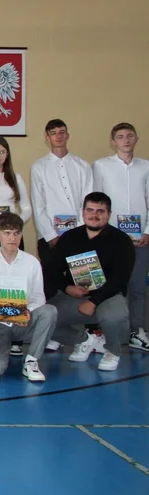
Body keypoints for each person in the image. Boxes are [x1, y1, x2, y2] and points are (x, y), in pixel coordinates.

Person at [46, 192, 134, 372]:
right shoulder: (70, 237)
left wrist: (94, 301)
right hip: (75, 298)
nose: (94, 215)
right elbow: (51, 269)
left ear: (109, 214)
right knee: (43, 318)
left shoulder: (122, 241)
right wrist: (67, 287)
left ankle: (113, 351)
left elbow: (120, 278)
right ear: (83, 212)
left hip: (108, 297)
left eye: (100, 211)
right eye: (90, 210)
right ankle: (84, 340)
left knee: (114, 317)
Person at [0, 213, 58, 382]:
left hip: (23, 322)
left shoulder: (32, 262)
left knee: (49, 311)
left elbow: (38, 296)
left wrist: (28, 310)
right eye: (7, 233)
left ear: (21, 235)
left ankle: (31, 361)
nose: (12, 238)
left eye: (16, 233)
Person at [92, 122, 149, 353]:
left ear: (136, 139)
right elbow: (96, 201)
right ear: (113, 141)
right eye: (120, 136)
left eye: (129, 136)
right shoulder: (101, 166)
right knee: (106, 286)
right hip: (110, 239)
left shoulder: (146, 167)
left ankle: (137, 331)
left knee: (137, 287)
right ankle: (102, 332)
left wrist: (148, 231)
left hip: (140, 239)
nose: (125, 140)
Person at [31, 119, 94, 300]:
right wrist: (51, 236)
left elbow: (88, 202)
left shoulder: (82, 165)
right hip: (50, 237)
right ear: (47, 138)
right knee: (51, 284)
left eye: (61, 132)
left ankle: (89, 318)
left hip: (80, 234)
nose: (58, 136)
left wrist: (80, 231)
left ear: (67, 135)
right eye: (53, 133)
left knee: (85, 283)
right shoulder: (38, 167)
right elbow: (38, 205)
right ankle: (53, 316)